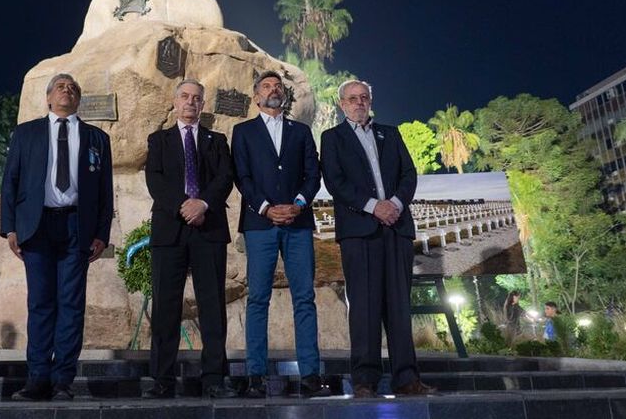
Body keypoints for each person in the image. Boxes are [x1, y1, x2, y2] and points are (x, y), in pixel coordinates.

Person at [1, 73, 114, 402]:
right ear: (49, 98)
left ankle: (63, 379)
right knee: (40, 304)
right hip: (37, 228)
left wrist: (101, 234)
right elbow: (11, 182)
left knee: (71, 305)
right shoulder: (26, 133)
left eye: (73, 88)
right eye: (61, 87)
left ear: (78, 100)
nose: (68, 91)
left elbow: (104, 192)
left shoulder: (97, 138)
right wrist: (10, 227)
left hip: (76, 229)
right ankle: (37, 378)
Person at [320, 80, 436, 398]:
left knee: (399, 306)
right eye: (352, 98)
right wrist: (374, 207)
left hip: (396, 229)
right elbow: (335, 181)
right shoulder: (332, 138)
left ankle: (407, 378)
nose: (359, 103)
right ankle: (365, 380)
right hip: (360, 232)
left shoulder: (391, 134)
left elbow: (408, 174)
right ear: (342, 104)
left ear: (370, 101)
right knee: (364, 307)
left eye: (364, 98)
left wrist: (395, 205)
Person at [232, 71, 329, 398]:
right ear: (256, 96)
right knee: (258, 298)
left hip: (298, 224)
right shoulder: (242, 132)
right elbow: (242, 177)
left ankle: (311, 374)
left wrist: (299, 204)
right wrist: (265, 208)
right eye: (266, 86)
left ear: (284, 96)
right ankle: (255, 376)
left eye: (278, 86)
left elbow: (313, 174)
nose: (273, 90)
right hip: (260, 225)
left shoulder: (301, 132)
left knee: (305, 298)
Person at [143, 79, 236, 399]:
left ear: (202, 103)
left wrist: (203, 204)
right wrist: (183, 205)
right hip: (170, 230)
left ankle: (213, 378)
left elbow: (225, 177)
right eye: (185, 96)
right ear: (175, 100)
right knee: (166, 307)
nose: (190, 102)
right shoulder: (159, 140)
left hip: (208, 229)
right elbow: (154, 180)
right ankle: (162, 379)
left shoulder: (217, 140)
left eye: (196, 98)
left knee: (212, 307)